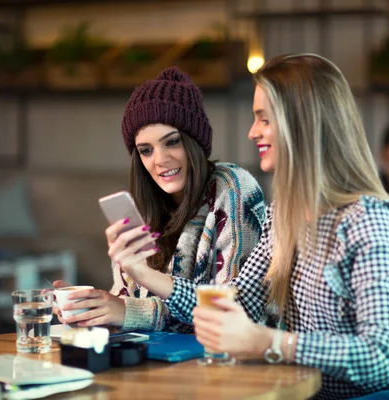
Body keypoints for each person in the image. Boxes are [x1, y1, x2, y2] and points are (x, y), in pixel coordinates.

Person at [113, 54, 389, 399]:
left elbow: (381, 357)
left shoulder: (368, 218)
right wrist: (142, 273)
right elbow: (239, 302)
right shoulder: (283, 214)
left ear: (304, 123)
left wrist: (267, 343)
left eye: (264, 119)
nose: (253, 132)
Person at [53, 67, 266, 332]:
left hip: (221, 361)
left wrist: (130, 311)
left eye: (172, 142)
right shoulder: (148, 205)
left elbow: (231, 311)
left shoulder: (233, 188)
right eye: (145, 150)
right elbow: (128, 301)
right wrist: (92, 309)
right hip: (161, 357)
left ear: (194, 142)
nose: (160, 160)